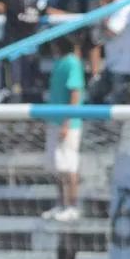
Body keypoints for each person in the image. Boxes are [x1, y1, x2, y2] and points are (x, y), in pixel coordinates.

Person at [41, 34, 86, 222]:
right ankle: (61, 203)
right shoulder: (60, 64)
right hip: (55, 121)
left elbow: (74, 93)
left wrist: (67, 122)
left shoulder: (72, 63)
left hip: (68, 124)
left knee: (69, 165)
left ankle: (72, 205)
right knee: (57, 166)